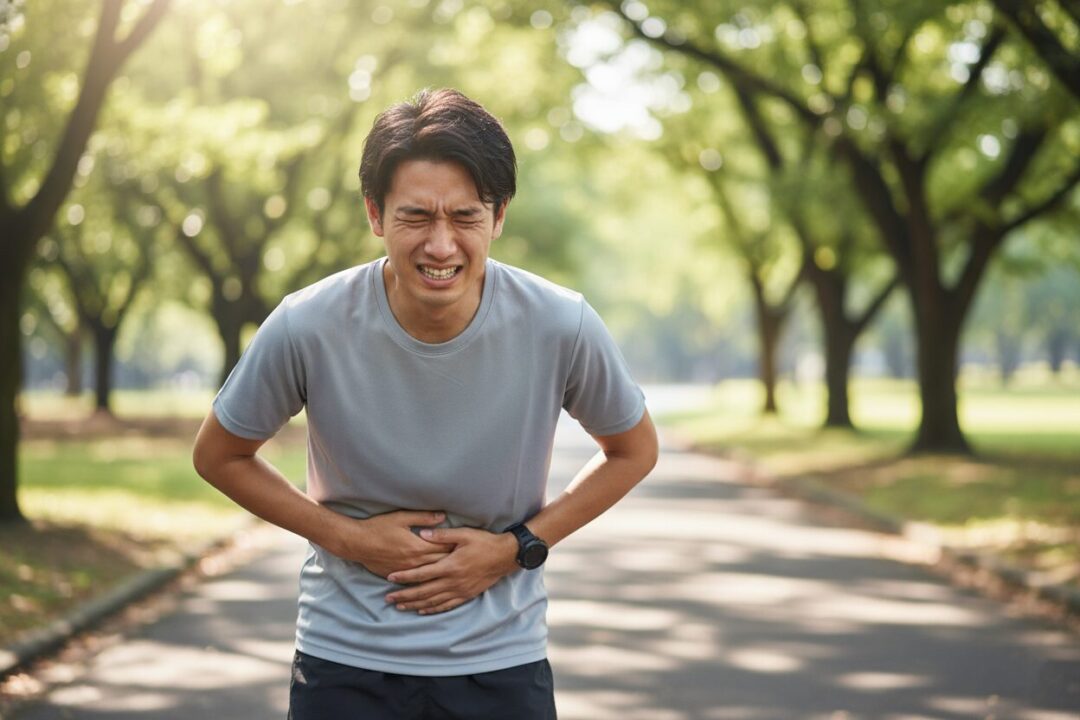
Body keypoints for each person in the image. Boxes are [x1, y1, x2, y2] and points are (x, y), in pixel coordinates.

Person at [192, 88, 658, 720]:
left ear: (499, 217)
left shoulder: (559, 323)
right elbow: (220, 455)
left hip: (501, 664)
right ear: (375, 214)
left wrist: (518, 545)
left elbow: (633, 450)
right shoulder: (309, 323)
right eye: (416, 217)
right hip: (344, 661)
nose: (441, 246)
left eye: (464, 217)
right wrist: (349, 539)